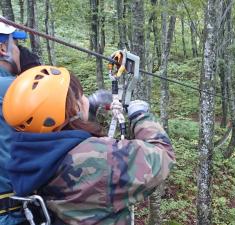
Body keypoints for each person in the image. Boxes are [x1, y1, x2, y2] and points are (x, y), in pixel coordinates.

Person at [3, 65, 175, 225]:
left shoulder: (23, 155)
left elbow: (65, 143)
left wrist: (87, 111)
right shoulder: (100, 159)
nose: (85, 98)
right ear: (74, 108)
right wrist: (141, 117)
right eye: (80, 96)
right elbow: (162, 155)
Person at [0, 17, 30, 225]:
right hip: (11, 214)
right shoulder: (14, 89)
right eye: (16, 45)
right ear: (3, 48)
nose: (20, 51)